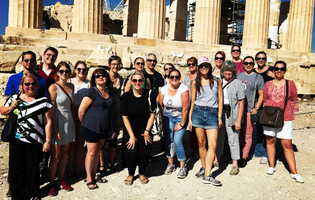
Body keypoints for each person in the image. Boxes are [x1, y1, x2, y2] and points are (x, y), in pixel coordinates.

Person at [0, 73, 52, 200]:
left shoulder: (43, 101)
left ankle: (32, 194)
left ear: (37, 85)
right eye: (27, 84)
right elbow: (2, 110)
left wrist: (48, 141)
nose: (30, 86)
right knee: (16, 167)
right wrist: (12, 106)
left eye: (33, 84)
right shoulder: (14, 98)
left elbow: (48, 122)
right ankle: (17, 195)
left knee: (32, 168)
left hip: (35, 140)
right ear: (22, 86)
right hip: (16, 139)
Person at [263, 61, 304, 183]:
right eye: (276, 69)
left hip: (285, 116)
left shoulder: (290, 84)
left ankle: (294, 172)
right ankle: (271, 165)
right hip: (270, 116)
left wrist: (292, 113)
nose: (279, 71)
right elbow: (265, 99)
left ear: (285, 70)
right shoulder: (268, 84)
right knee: (270, 141)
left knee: (287, 144)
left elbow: (294, 99)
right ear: (274, 70)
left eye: (281, 69)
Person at [188, 56, 223, 186]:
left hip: (212, 113)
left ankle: (207, 175)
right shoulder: (194, 82)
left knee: (212, 145)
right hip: (198, 112)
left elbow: (220, 100)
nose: (203, 68)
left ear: (209, 66)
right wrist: (190, 120)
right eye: (201, 66)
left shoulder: (217, 81)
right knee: (201, 143)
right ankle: (204, 167)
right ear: (199, 67)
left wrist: (219, 117)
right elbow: (192, 102)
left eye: (206, 65)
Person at [79, 68, 112, 190]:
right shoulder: (92, 91)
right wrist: (86, 124)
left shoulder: (108, 91)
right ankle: (89, 178)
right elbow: (81, 111)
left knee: (98, 152)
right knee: (91, 153)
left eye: (103, 75)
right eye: (97, 76)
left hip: (103, 127)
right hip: (91, 127)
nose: (100, 77)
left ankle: (94, 174)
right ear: (94, 79)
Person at [121, 72, 156, 185]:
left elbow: (152, 114)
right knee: (131, 152)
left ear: (144, 81)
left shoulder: (150, 94)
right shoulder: (125, 97)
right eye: (135, 80)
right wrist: (131, 135)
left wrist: (146, 131)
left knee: (145, 152)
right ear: (131, 82)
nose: (137, 83)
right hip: (131, 129)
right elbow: (125, 118)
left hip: (145, 128)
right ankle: (131, 173)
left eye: (140, 80)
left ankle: (142, 173)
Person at [48, 62, 76, 196]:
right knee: (55, 156)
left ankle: (60, 179)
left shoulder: (72, 86)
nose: (64, 73)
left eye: (67, 71)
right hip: (57, 122)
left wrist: (75, 123)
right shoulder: (53, 87)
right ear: (57, 73)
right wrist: (54, 127)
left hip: (69, 122)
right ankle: (51, 183)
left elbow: (72, 107)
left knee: (64, 154)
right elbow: (51, 109)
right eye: (61, 71)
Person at [215, 61, 245, 175]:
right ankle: (217, 159)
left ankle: (235, 164)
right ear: (223, 71)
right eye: (226, 70)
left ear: (234, 71)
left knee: (233, 139)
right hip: (220, 113)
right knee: (219, 137)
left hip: (232, 114)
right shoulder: (218, 81)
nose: (228, 72)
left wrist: (238, 120)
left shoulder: (238, 83)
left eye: (230, 70)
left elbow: (241, 102)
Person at [159, 69, 189, 178]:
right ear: (169, 78)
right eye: (172, 77)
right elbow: (161, 105)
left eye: (177, 77)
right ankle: (170, 163)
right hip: (168, 117)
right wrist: (162, 119)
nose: (174, 79)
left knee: (177, 141)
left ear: (180, 78)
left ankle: (182, 166)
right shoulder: (164, 89)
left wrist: (181, 124)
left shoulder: (183, 89)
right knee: (168, 140)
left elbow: (185, 108)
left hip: (181, 118)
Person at [237, 56, 264, 167]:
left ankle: (244, 156)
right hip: (238, 110)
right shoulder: (238, 76)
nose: (248, 65)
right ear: (243, 64)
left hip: (249, 110)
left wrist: (256, 108)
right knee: (238, 134)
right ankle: (236, 155)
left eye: (251, 63)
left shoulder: (258, 77)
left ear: (254, 64)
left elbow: (261, 95)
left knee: (248, 135)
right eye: (246, 63)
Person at [99, 56, 123, 173]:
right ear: (109, 65)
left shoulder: (120, 78)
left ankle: (111, 162)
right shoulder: (104, 76)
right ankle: (102, 164)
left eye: (117, 64)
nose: (115, 66)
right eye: (113, 64)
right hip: (105, 108)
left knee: (114, 137)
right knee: (103, 136)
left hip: (116, 110)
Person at [67, 61, 89, 180]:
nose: (81, 71)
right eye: (79, 69)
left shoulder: (88, 84)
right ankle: (70, 169)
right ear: (75, 70)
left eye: (84, 69)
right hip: (70, 113)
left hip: (83, 114)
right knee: (71, 144)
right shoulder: (69, 82)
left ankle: (78, 169)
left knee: (80, 144)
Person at [253, 51, 275, 164]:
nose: (261, 60)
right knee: (257, 128)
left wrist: (275, 76)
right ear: (256, 59)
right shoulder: (253, 71)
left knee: (267, 129)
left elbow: (281, 82)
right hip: (256, 104)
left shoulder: (272, 70)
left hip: (269, 104)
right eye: (258, 58)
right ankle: (257, 151)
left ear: (265, 59)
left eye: (263, 58)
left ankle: (266, 153)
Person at [183, 57, 198, 151]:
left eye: (193, 64)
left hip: (197, 104)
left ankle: (199, 148)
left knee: (198, 127)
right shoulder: (186, 79)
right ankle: (192, 147)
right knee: (191, 128)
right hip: (188, 105)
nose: (191, 66)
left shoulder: (200, 77)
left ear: (196, 65)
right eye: (189, 64)